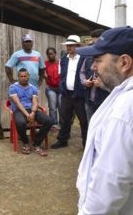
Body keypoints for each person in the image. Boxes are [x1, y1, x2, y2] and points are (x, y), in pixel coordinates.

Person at [76, 26, 133, 214]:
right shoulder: (122, 98)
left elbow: (109, 188)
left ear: (124, 62)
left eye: (98, 60)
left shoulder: (123, 113)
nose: (93, 67)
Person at [51, 35, 88, 149]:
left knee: (83, 120)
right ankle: (63, 140)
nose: (68, 48)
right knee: (65, 118)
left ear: (77, 46)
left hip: (80, 94)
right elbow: (62, 75)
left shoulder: (84, 58)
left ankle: (86, 144)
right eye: (67, 46)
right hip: (67, 94)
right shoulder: (63, 59)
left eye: (71, 45)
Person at [9, 68, 53, 156]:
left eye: (25, 76)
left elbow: (35, 102)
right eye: (21, 76)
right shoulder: (13, 87)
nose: (23, 78)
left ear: (28, 76)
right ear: (18, 77)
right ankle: (25, 143)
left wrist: (33, 113)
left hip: (31, 110)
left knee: (49, 121)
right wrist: (28, 115)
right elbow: (17, 103)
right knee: (20, 122)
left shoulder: (33, 88)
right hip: (19, 110)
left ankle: (36, 143)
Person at [79, 29, 109, 122]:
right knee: (91, 126)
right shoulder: (88, 55)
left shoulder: (110, 57)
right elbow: (82, 72)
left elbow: (118, 82)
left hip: (104, 101)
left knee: (104, 128)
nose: (95, 45)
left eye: (97, 43)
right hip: (89, 101)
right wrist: (85, 82)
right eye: (93, 42)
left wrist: (102, 84)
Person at [44, 47, 61, 129]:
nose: (51, 55)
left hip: (61, 88)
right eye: (49, 54)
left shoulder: (60, 63)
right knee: (53, 107)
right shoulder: (45, 63)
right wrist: (44, 78)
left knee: (61, 106)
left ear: (55, 54)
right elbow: (40, 71)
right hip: (50, 88)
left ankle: (62, 123)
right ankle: (53, 124)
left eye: (52, 54)